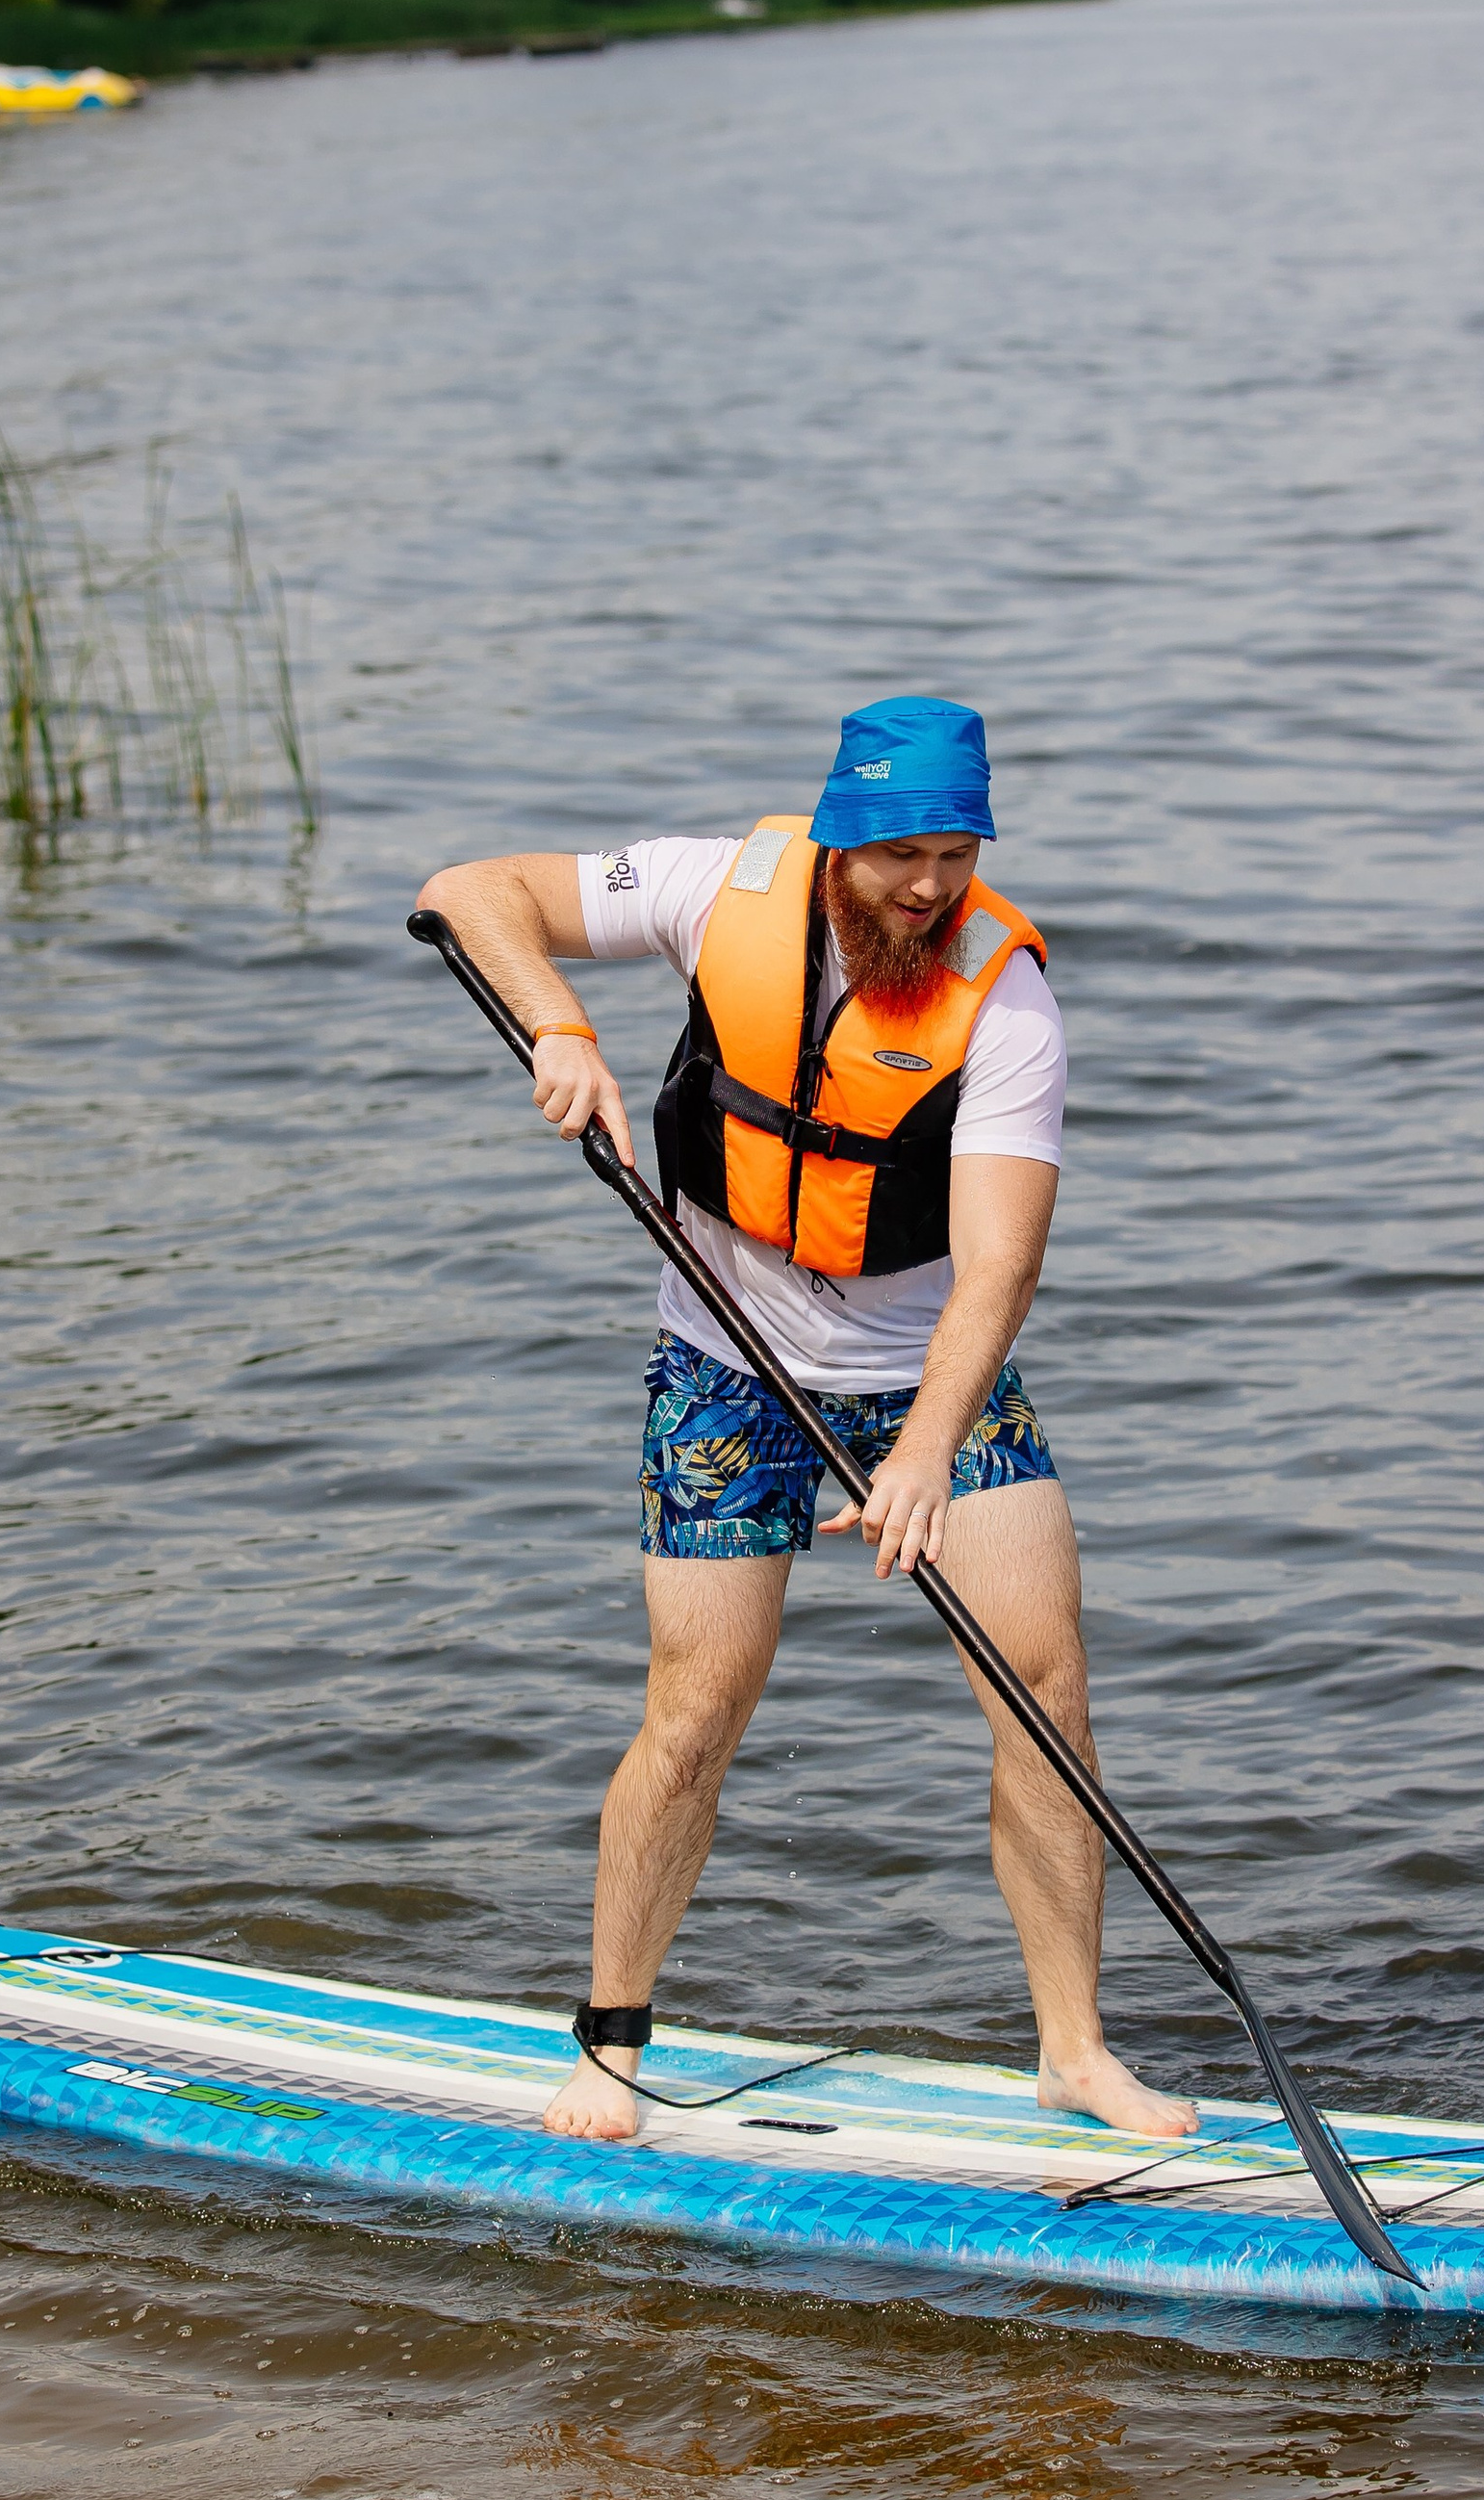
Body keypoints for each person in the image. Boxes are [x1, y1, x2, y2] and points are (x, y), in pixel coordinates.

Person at [416, 694, 1198, 2149]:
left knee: (1047, 1691)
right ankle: (610, 2047)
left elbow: (1000, 1270)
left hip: (931, 1371)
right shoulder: (718, 890)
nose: (929, 887)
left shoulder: (1007, 1001)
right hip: (724, 1366)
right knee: (697, 1709)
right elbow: (470, 893)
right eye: (900, 854)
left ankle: (1075, 2052)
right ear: (838, 837)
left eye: (955, 855)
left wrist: (925, 1450)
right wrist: (560, 1028)